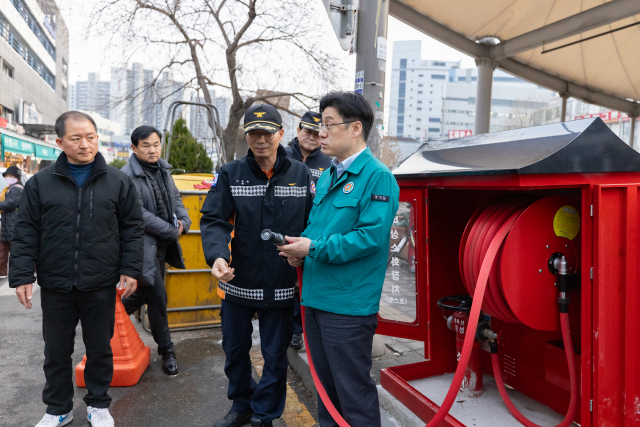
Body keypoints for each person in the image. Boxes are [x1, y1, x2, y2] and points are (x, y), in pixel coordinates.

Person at [9, 111, 144, 427]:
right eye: (76, 138)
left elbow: (133, 228)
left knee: (100, 349)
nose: (86, 144)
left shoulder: (118, 181)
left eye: (91, 137)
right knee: (55, 352)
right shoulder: (41, 183)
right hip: (56, 284)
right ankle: (58, 408)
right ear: (59, 142)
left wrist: (130, 268)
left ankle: (98, 404)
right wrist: (22, 275)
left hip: (100, 281)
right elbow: (26, 229)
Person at [278, 91, 400, 427]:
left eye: (329, 125)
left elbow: (368, 238)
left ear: (355, 128)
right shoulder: (331, 173)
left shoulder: (377, 177)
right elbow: (318, 228)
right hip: (316, 298)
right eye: (320, 126)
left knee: (353, 394)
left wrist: (312, 249)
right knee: (327, 394)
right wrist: (300, 253)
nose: (321, 133)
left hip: (347, 307)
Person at [201, 104, 313, 427]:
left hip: (280, 281)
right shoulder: (230, 174)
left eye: (267, 133)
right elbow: (214, 219)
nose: (260, 140)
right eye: (254, 133)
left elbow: (311, 223)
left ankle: (264, 414)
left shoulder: (300, 175)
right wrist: (218, 255)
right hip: (237, 278)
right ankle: (242, 404)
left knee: (275, 356)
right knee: (235, 350)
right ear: (246, 136)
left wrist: (303, 261)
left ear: (281, 133)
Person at [121, 125, 191, 376]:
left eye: (156, 144)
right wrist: (172, 231)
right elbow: (138, 215)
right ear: (134, 148)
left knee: (145, 293)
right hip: (140, 248)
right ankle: (167, 351)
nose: (152, 150)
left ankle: (105, 322)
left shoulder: (163, 169)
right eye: (146, 145)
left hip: (160, 247)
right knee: (157, 297)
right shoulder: (127, 175)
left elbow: (177, 200)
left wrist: (184, 222)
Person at [284, 111, 331, 349]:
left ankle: (300, 329)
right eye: (307, 131)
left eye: (316, 132)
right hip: (285, 228)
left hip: (313, 233)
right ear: (298, 129)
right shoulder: (282, 155)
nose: (311, 137)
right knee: (285, 280)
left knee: (303, 283)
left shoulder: (327, 163)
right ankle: (289, 327)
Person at [0, 166, 24, 278]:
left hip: (12, 224)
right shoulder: (13, 188)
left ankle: (17, 273)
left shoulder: (15, 189)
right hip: (9, 224)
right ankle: (3, 273)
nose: (8, 178)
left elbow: (8, 204)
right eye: (7, 176)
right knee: (5, 249)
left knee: (13, 251)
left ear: (17, 177)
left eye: (11, 176)